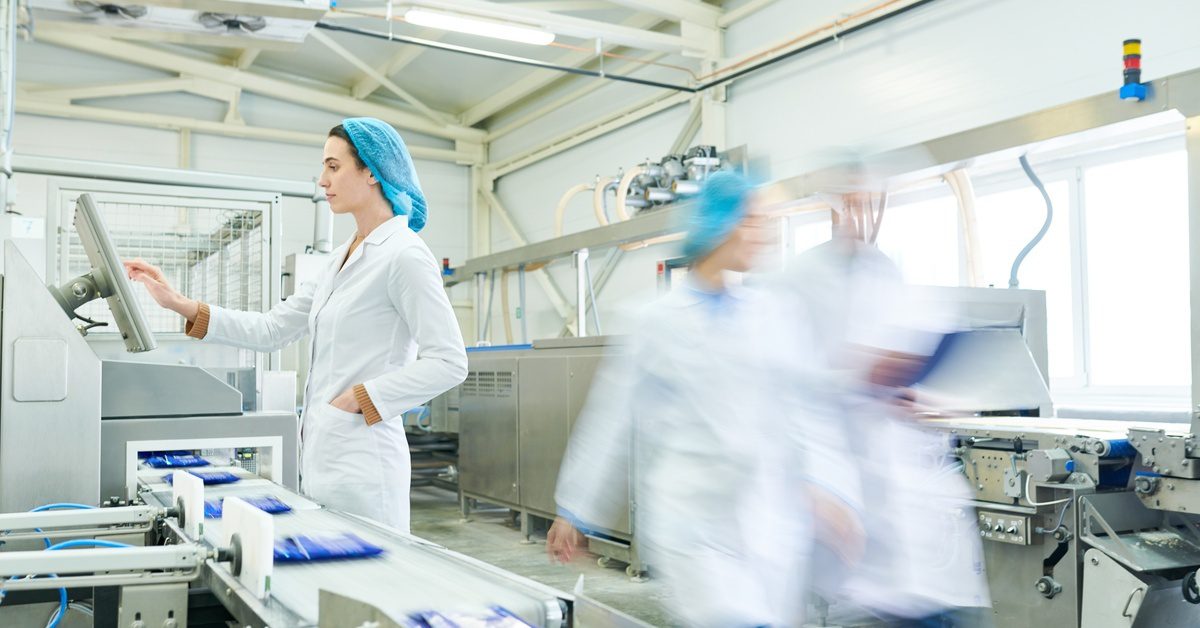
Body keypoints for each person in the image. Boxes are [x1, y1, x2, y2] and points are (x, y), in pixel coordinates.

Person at [125, 117, 467, 532]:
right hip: (323, 459)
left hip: (366, 465)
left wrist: (361, 398)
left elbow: (449, 361)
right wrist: (179, 304)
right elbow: (272, 330)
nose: (323, 181)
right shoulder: (340, 257)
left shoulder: (404, 255)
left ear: (372, 171)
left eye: (334, 167)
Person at [547, 172, 860, 626]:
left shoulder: (775, 314)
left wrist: (829, 488)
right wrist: (574, 509)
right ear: (721, 225)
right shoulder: (655, 320)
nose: (765, 233)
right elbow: (611, 419)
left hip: (765, 518)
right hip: (693, 521)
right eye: (753, 220)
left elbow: (808, 409)